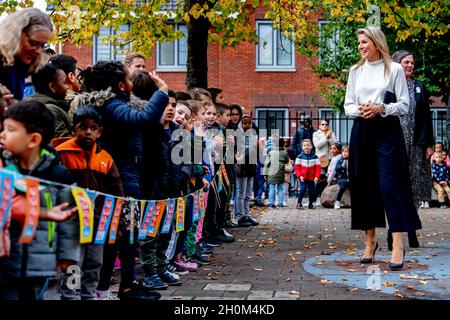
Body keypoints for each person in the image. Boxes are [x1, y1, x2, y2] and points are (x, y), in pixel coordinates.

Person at [74, 61, 168, 300]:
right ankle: (108, 288)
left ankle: (128, 283)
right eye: (128, 78)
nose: (131, 83)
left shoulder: (115, 102)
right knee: (117, 236)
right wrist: (162, 92)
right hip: (117, 179)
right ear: (119, 85)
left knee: (128, 234)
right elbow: (144, 119)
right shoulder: (111, 104)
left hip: (127, 175)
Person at [344, 26, 422, 271]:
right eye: (359, 43)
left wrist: (381, 109)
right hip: (362, 131)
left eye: (364, 41)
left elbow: (405, 105)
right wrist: (361, 110)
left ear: (377, 43)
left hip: (388, 131)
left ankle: (397, 244)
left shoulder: (395, 69)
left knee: (391, 186)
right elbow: (347, 104)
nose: (360, 46)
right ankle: (370, 242)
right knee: (365, 186)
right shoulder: (356, 71)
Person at [0, 101, 79, 300]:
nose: (2, 134)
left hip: (42, 260)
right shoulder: (4, 170)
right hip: (6, 260)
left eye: (9, 130)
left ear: (33, 140)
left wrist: (68, 257)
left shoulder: (58, 174)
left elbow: (71, 221)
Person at [0, 8, 53, 104]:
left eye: (42, 46)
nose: (38, 51)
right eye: (33, 43)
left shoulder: (19, 66)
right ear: (15, 35)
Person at [28, 63, 71, 138]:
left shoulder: (33, 104)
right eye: (64, 83)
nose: (67, 87)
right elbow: (62, 140)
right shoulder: (51, 110)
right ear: (52, 86)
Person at [234, 114, 259, 227]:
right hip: (242, 167)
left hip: (251, 166)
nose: (247, 125)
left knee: (249, 193)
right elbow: (241, 152)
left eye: (249, 123)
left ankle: (246, 215)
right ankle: (239, 216)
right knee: (241, 193)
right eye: (245, 123)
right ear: (241, 124)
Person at [294, 139, 320, 210]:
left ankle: (311, 204)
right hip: (303, 178)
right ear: (302, 147)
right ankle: (299, 203)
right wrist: (299, 176)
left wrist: (317, 176)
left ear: (311, 146)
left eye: (308, 145)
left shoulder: (315, 157)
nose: (306, 147)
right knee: (302, 190)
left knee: (313, 191)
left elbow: (318, 168)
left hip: (312, 178)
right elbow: (297, 168)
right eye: (304, 145)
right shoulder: (299, 157)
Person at [264, 137, 289, 208]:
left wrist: (265, 173)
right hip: (280, 172)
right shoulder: (284, 153)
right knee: (280, 188)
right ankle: (280, 204)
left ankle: (271, 204)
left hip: (271, 172)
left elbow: (267, 163)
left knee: (271, 188)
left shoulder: (270, 152)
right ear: (283, 144)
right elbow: (287, 161)